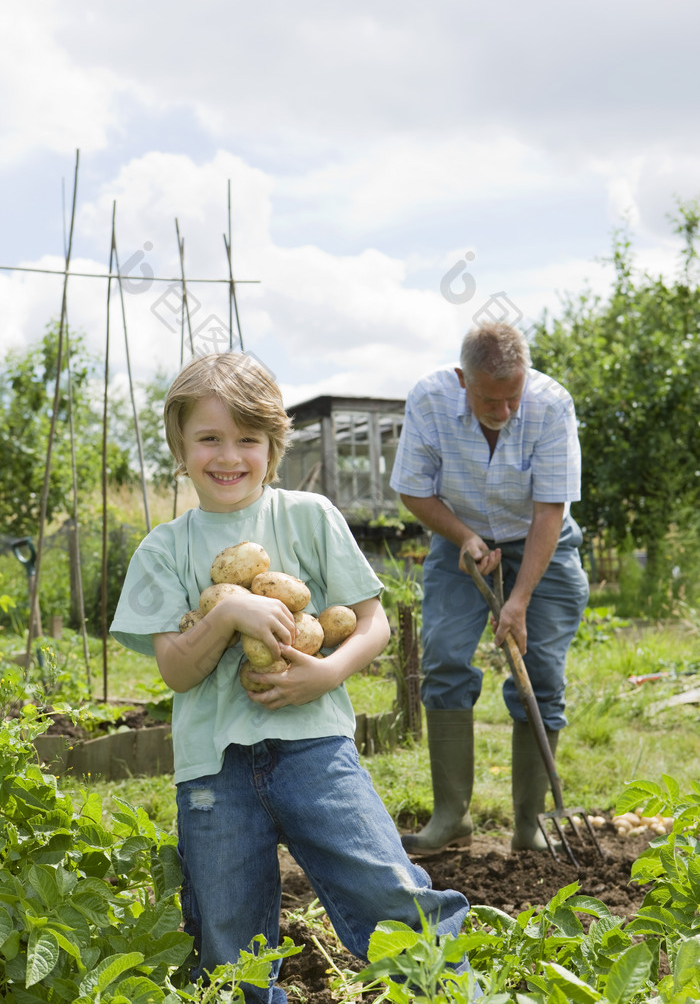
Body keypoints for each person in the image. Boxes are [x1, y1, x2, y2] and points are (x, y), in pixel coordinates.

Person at [110, 351, 476, 1004]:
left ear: (273, 447)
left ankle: (450, 994)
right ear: (180, 446)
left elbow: (373, 624)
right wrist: (230, 611)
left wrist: (328, 670)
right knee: (228, 943)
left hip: (315, 749)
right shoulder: (163, 549)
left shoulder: (308, 516)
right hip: (212, 773)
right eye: (209, 439)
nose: (229, 456)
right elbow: (175, 668)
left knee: (385, 888)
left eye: (248, 439)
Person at [390, 321, 589, 856]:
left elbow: (551, 509)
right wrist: (463, 535)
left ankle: (530, 825)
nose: (503, 411)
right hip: (461, 539)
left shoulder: (551, 406)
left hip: (539, 540)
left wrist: (518, 601)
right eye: (488, 398)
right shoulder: (430, 400)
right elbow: (413, 489)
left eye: (512, 397)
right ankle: (451, 818)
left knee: (541, 673)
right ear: (463, 378)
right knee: (446, 661)